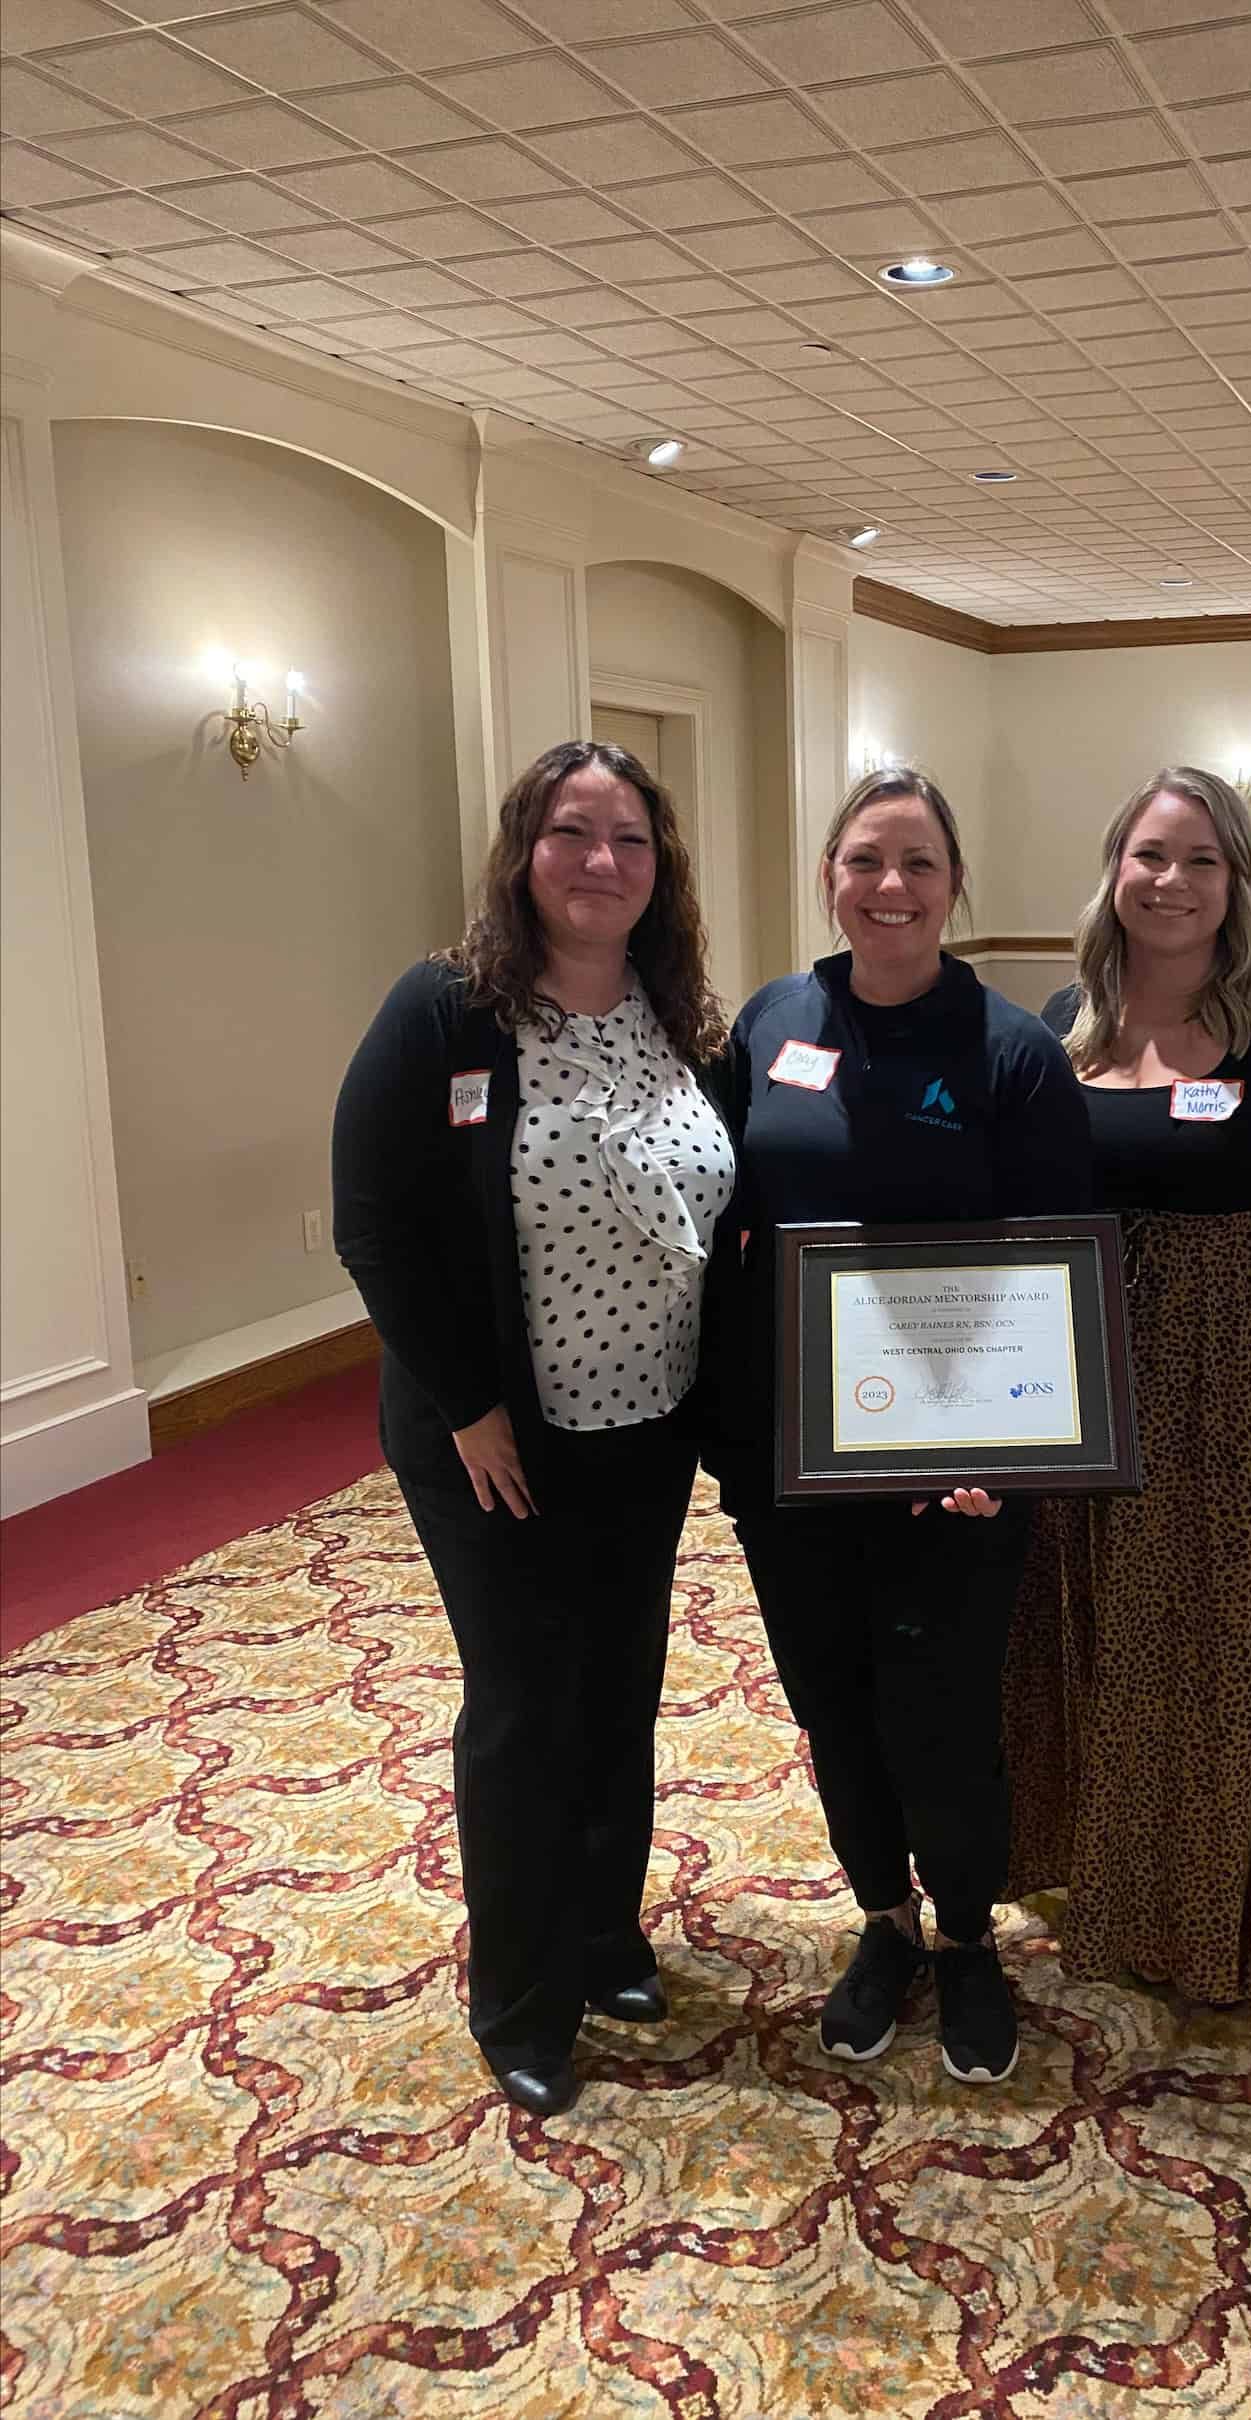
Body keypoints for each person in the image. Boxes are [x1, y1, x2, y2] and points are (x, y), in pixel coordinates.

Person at [332, 739, 737, 2117]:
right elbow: (375, 1223)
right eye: (573, 833)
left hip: (648, 1420)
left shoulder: (681, 1014)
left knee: (620, 1686)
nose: (601, 862)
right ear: (524, 852)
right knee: (523, 1702)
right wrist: (473, 1406)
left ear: (658, 867)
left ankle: (607, 1936)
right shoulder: (446, 1013)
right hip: (491, 1433)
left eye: (628, 838)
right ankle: (519, 1994)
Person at [706, 767, 1090, 2084]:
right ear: (828, 873)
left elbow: (1055, 1260)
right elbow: (714, 1218)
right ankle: (884, 1920)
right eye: (866, 859)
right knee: (834, 1700)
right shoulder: (771, 1020)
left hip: (954, 1458)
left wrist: (1009, 1450)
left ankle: (970, 1938)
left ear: (954, 886)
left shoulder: (1010, 1053)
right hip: (790, 1451)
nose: (890, 887)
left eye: (918, 863)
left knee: (941, 1706)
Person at [1003, 765, 1251, 2003]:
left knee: (1218, 1627)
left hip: (1240, 1357)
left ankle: (1212, 1905)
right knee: (1095, 1609)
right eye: (1151, 855)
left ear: (1236, 882)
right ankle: (1100, 1867)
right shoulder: (1068, 1016)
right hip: (1088, 1363)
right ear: (1115, 867)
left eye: (1202, 860)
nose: (1173, 883)